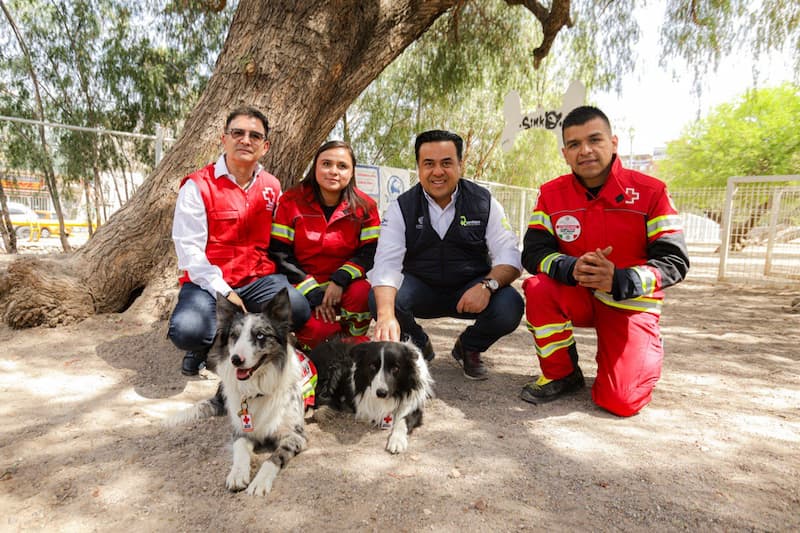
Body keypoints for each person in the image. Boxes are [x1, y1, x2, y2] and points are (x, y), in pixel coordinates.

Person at [519, 105, 689, 416]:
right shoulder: (551, 194)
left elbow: (674, 261)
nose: (585, 150)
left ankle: (641, 347)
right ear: (564, 153)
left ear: (614, 143)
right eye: (574, 144)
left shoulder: (651, 192)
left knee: (620, 401)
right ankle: (562, 374)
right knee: (538, 286)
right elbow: (532, 252)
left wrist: (623, 279)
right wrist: (569, 267)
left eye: (594, 140)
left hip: (630, 301)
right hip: (577, 292)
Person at [368, 129, 524, 380]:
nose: (437, 172)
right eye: (428, 164)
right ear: (418, 167)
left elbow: (510, 257)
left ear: (460, 165)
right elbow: (386, 264)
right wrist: (386, 316)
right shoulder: (401, 207)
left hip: (469, 290)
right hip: (421, 290)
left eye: (446, 163)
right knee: (379, 300)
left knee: (510, 305)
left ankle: (469, 346)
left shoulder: (485, 203)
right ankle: (418, 346)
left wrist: (487, 286)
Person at [168, 106, 311, 376]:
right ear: (224, 139)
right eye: (238, 133)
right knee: (187, 330)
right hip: (208, 283)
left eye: (255, 136)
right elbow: (189, 251)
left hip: (258, 280)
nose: (246, 140)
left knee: (299, 309)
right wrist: (226, 292)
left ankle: (261, 347)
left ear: (265, 146)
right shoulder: (197, 186)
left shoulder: (272, 186)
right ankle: (203, 346)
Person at [269, 140, 380, 351]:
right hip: (301, 284)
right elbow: (280, 254)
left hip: (344, 283)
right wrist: (313, 293)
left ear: (352, 171)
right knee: (321, 336)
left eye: (342, 166)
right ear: (316, 167)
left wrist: (340, 279)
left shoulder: (366, 207)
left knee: (362, 293)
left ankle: (352, 346)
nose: (333, 171)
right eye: (326, 164)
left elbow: (369, 251)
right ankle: (322, 344)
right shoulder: (291, 200)